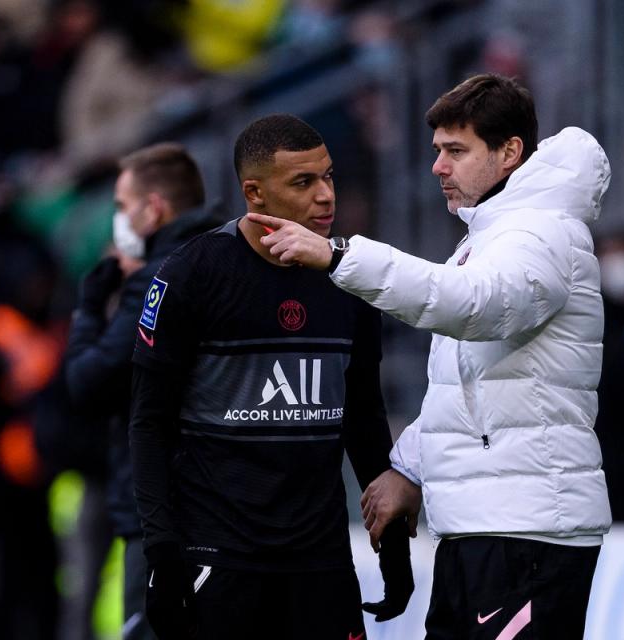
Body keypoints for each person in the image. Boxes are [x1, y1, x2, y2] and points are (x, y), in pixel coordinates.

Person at [249, 73, 613, 639]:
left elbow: (473, 305)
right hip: (485, 526)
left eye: (455, 151)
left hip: (529, 532)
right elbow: (471, 385)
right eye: (437, 152)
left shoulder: (542, 234)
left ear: (510, 152)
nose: (438, 168)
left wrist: (342, 256)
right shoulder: (494, 236)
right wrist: (409, 468)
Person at [128, 114, 413, 640]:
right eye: (303, 182)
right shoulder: (193, 274)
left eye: (329, 176)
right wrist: (163, 552)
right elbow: (149, 424)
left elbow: (365, 418)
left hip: (321, 560)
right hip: (219, 556)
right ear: (254, 193)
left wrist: (393, 542)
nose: (325, 196)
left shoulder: (350, 276)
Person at [65, 142, 224, 640]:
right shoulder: (224, 260)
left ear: (153, 208)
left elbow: (87, 381)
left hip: (158, 512)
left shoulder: (158, 277)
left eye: (120, 206)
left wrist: (89, 309)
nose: (118, 219)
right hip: (225, 507)